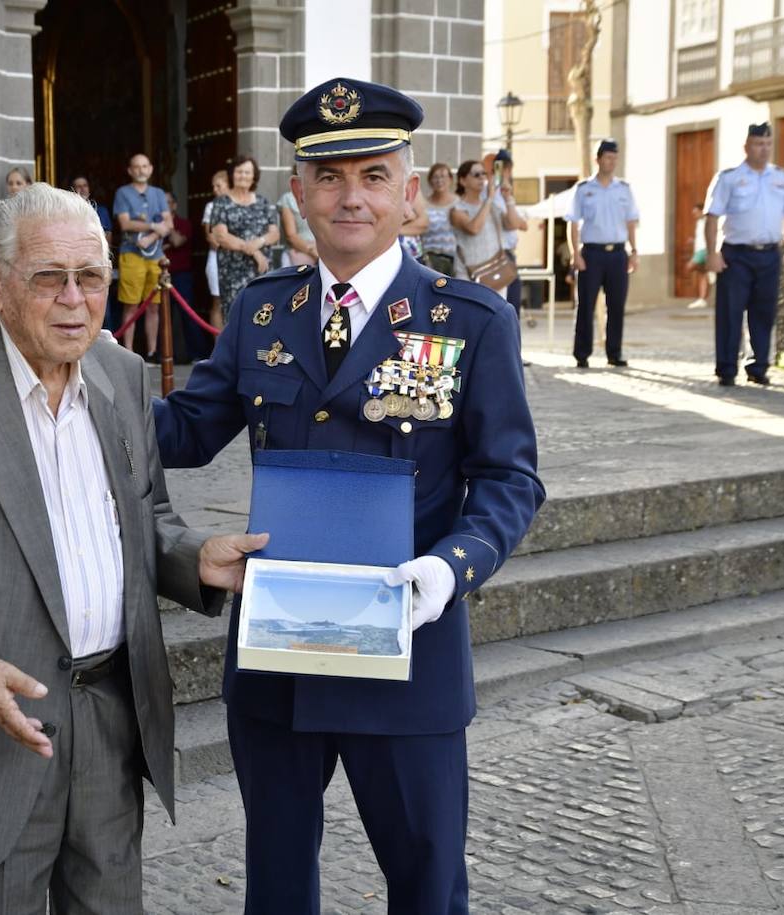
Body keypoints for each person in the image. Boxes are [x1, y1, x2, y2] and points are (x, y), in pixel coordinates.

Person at [153, 76, 544, 914]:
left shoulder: (470, 322)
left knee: (427, 885)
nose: (350, 196)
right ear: (298, 192)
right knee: (279, 885)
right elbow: (183, 430)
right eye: (328, 176)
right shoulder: (262, 314)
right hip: (278, 660)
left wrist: (447, 572)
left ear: (409, 192)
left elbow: (511, 479)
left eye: (373, 175)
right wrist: (72, 386)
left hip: (409, 655)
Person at [0, 182, 265, 914]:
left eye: (91, 277)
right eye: (49, 278)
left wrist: (194, 559)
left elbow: (143, 519)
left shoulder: (120, 373)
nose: (75, 300)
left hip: (109, 721)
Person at [705, 123, 784, 386]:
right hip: (736, 255)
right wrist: (712, 253)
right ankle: (726, 368)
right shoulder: (729, 178)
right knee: (730, 313)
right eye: (758, 144)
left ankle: (758, 366)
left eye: (768, 144)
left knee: (764, 312)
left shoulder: (781, 178)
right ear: (746, 146)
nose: (764, 149)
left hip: (769, 254)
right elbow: (712, 217)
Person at [567, 138, 640, 369]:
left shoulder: (624, 189)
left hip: (618, 254)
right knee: (585, 305)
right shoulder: (584, 189)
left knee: (617, 305)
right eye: (608, 157)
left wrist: (634, 251)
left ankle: (614, 352)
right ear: (597, 159)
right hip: (591, 254)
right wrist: (575, 254)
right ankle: (582, 353)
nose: (612, 161)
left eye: (615, 157)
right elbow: (573, 223)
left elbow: (630, 222)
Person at [113, 153, 173, 360]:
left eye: (145, 166)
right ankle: (128, 353)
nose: (141, 170)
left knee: (154, 306)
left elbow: (169, 224)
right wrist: (154, 226)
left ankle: (152, 352)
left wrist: (151, 236)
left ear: (151, 169)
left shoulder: (158, 193)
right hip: (131, 254)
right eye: (136, 167)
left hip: (156, 256)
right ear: (130, 170)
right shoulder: (123, 193)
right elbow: (125, 224)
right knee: (131, 305)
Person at [209, 154, 279, 318]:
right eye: (239, 172)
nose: (243, 176)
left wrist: (259, 242)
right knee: (236, 316)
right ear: (232, 174)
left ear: (254, 176)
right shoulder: (222, 202)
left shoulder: (263, 202)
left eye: (247, 172)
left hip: (261, 269)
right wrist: (254, 251)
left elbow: (275, 233)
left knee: (263, 315)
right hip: (233, 271)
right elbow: (221, 236)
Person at [450, 159, 524, 298]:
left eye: (484, 174)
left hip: (495, 272)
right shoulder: (457, 210)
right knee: (470, 318)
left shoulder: (491, 206)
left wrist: (508, 198)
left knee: (496, 317)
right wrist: (489, 197)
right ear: (463, 181)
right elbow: (474, 228)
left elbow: (513, 224)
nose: (482, 178)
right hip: (469, 274)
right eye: (476, 174)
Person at [165, 190, 207, 363]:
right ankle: (164, 356)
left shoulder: (184, 223)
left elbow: (176, 241)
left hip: (182, 274)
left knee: (188, 315)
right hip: (162, 275)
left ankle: (196, 354)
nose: (165, 206)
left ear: (175, 204)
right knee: (162, 317)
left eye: (168, 202)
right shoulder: (154, 223)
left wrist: (166, 226)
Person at [492, 150, 525, 318]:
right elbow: (513, 223)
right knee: (501, 308)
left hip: (510, 255)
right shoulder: (489, 191)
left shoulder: (508, 193)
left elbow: (522, 224)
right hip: (496, 256)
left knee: (512, 306)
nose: (504, 171)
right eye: (500, 167)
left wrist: (508, 196)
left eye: (507, 167)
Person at [203, 169, 231, 330]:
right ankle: (218, 345)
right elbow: (211, 237)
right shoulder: (211, 206)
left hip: (238, 259)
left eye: (219, 186)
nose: (215, 190)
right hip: (217, 257)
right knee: (218, 300)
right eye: (213, 186)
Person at [421, 162, 457, 275]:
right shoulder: (423, 204)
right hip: (429, 260)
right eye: (435, 177)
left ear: (450, 179)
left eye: (443, 176)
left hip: (455, 260)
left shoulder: (458, 203)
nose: (439, 180)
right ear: (430, 181)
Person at [278, 165, 318, 268]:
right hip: (300, 253)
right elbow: (291, 236)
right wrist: (313, 251)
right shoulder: (288, 198)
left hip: (327, 254)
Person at [686, 202, 710, 309]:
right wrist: (693, 240)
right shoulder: (699, 222)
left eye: (696, 213)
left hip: (703, 251)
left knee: (689, 266)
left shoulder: (707, 221)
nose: (694, 215)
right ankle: (702, 298)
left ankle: (712, 276)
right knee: (702, 274)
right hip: (699, 250)